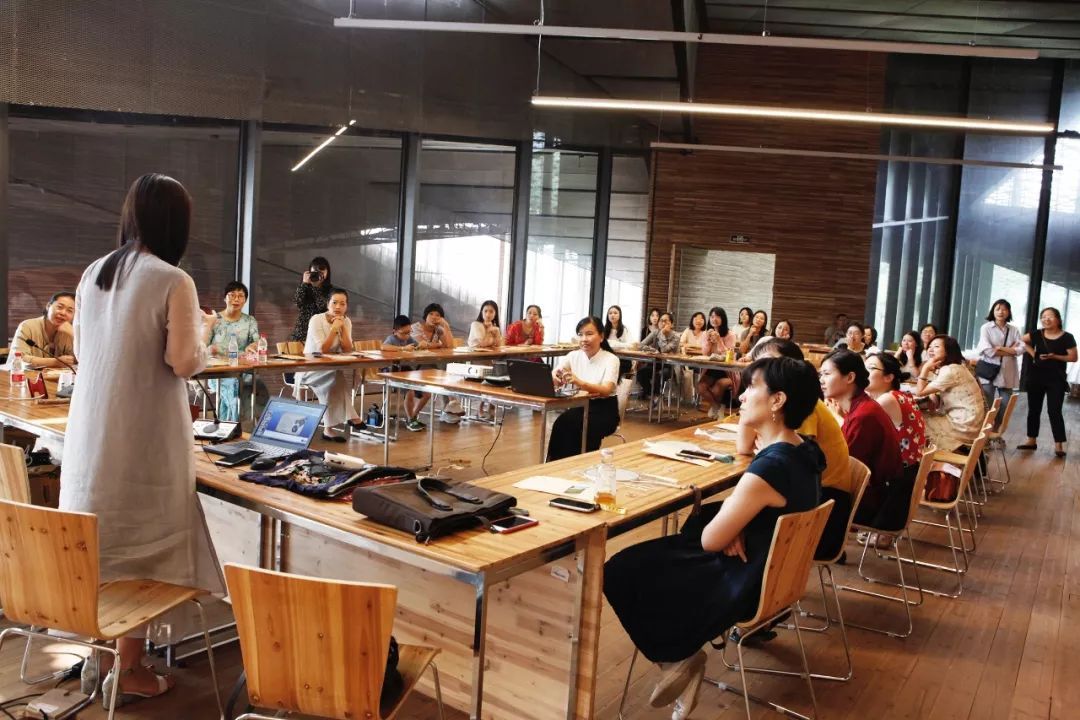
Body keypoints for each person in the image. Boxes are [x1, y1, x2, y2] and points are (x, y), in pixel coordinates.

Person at [60, 173, 223, 704]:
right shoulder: (173, 279)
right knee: (143, 552)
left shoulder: (93, 273)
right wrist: (206, 337)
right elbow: (183, 361)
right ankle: (126, 670)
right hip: (145, 435)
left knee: (102, 547)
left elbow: (82, 352)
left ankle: (99, 659)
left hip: (91, 434)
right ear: (176, 223)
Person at [604, 357, 822, 719]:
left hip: (742, 581)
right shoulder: (806, 451)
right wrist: (738, 525)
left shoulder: (769, 469)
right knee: (663, 550)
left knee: (619, 569)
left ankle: (676, 658)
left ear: (777, 400)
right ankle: (680, 654)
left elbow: (709, 541)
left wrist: (730, 526)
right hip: (774, 574)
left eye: (752, 387)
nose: (742, 395)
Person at [737, 340, 852, 556]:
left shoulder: (800, 412)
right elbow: (745, 447)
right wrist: (749, 398)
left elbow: (783, 460)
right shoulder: (792, 410)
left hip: (820, 514)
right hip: (810, 503)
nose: (762, 370)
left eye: (770, 363)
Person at [819, 350, 905, 535]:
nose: (821, 380)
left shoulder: (864, 415)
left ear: (850, 377)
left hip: (874, 504)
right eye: (820, 375)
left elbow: (843, 469)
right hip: (878, 494)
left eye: (826, 374)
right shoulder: (861, 407)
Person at [545, 316, 620, 461]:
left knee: (580, 425)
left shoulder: (611, 359)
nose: (584, 339)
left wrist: (580, 383)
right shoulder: (573, 356)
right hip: (580, 406)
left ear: (601, 336)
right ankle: (557, 465)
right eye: (580, 334)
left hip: (604, 409)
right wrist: (555, 377)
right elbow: (555, 373)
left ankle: (583, 464)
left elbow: (606, 390)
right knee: (562, 423)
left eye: (589, 334)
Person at [300, 288, 365, 441]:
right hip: (309, 367)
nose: (338, 307)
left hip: (330, 368)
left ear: (346, 306)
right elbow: (322, 349)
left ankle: (329, 429)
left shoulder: (346, 321)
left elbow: (348, 349)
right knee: (335, 377)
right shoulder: (316, 319)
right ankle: (351, 417)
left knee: (335, 376)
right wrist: (334, 329)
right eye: (334, 302)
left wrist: (342, 328)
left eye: (342, 304)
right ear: (327, 304)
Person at [1019, 307, 1077, 457]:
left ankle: (1059, 445)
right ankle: (1031, 440)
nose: (1046, 319)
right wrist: (1034, 354)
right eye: (1043, 317)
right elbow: (1021, 340)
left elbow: (1073, 357)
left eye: (1050, 316)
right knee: (1034, 409)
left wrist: (1055, 356)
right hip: (1036, 376)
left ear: (1058, 319)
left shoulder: (1067, 337)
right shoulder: (1037, 334)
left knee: (1054, 410)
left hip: (1056, 379)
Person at [912, 335, 984, 452]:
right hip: (971, 422)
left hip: (962, 426)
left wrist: (925, 368)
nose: (931, 350)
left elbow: (919, 392)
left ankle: (921, 456)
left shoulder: (950, 370)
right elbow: (934, 399)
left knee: (914, 418)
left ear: (948, 351)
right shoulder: (958, 367)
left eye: (936, 346)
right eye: (930, 347)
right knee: (922, 414)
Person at [202, 281, 259, 422]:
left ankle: (228, 424)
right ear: (224, 298)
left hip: (241, 369)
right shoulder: (214, 320)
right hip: (217, 371)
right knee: (234, 386)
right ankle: (235, 425)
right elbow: (202, 345)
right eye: (232, 295)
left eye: (241, 296)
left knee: (254, 385)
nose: (236, 299)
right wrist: (211, 350)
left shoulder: (250, 320)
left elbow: (257, 341)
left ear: (245, 300)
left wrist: (253, 346)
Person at [865, 353, 927, 468]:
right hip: (909, 466)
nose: (863, 372)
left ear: (888, 377)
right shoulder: (897, 395)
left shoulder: (887, 399)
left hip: (899, 471)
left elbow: (858, 429)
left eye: (871, 368)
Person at [975, 299, 1025, 423]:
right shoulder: (986, 328)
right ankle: (986, 429)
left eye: (1004, 309)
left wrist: (1000, 348)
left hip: (1007, 371)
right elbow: (987, 350)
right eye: (997, 309)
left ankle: (996, 429)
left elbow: (1021, 349)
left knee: (1005, 405)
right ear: (993, 311)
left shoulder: (1014, 330)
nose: (1001, 312)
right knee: (986, 403)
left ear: (1009, 312)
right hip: (989, 370)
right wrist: (1010, 350)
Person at [382, 315, 430, 432]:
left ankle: (412, 417)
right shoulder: (391, 339)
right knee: (410, 391)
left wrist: (422, 345)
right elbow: (383, 347)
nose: (407, 336)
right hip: (393, 371)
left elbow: (416, 347)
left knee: (427, 393)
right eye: (404, 333)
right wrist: (402, 349)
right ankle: (410, 419)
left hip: (408, 371)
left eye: (409, 332)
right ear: (395, 331)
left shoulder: (409, 339)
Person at [12, 291, 76, 367]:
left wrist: (74, 334)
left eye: (69, 311)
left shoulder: (69, 332)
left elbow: (81, 359)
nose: (63, 313)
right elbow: (19, 358)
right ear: (48, 306)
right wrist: (55, 362)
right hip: (20, 373)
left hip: (56, 375)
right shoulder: (27, 326)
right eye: (60, 307)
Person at [698, 307, 737, 417]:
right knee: (701, 387)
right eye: (712, 316)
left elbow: (728, 355)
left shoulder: (730, 335)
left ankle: (717, 408)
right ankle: (717, 407)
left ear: (723, 319)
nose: (714, 319)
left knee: (718, 387)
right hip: (711, 369)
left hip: (727, 371)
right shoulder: (706, 334)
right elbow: (705, 353)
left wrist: (719, 340)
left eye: (718, 316)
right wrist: (709, 340)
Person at [639, 311, 680, 403]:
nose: (663, 323)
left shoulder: (676, 336)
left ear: (672, 324)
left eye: (666, 321)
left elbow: (664, 349)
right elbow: (641, 345)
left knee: (659, 375)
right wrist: (651, 349)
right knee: (641, 373)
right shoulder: (655, 332)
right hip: (655, 363)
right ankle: (654, 395)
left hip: (670, 365)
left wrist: (663, 334)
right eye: (661, 321)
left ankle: (656, 397)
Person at [290, 256, 333, 342]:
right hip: (303, 332)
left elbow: (322, 307)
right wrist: (304, 284)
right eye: (315, 272)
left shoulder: (331, 290)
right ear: (310, 272)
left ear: (327, 272)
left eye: (322, 272)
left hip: (321, 332)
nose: (318, 275)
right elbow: (298, 303)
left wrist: (315, 287)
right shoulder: (305, 286)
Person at [604, 304, 634, 376]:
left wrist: (612, 343)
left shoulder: (625, 329)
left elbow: (630, 345)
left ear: (620, 315)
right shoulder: (604, 330)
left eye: (615, 313)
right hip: (608, 358)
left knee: (613, 368)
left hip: (623, 359)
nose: (612, 315)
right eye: (610, 313)